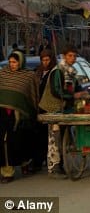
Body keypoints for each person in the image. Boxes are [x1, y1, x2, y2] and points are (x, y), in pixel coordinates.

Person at [39, 44, 89, 178]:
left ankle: (61, 165)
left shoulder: (71, 71)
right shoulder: (58, 71)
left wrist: (84, 93)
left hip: (65, 109)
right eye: (70, 56)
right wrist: (74, 96)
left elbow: (76, 88)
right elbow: (57, 91)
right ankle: (54, 168)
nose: (72, 58)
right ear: (64, 57)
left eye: (74, 56)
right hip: (53, 108)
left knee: (63, 137)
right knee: (54, 138)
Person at [0, 52, 38, 183]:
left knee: (18, 143)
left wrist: (32, 112)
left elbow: (33, 96)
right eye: (10, 62)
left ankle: (24, 163)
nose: (12, 65)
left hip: (20, 116)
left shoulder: (28, 76)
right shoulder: (3, 74)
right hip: (3, 114)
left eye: (15, 62)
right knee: (3, 143)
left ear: (21, 62)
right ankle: (7, 172)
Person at [33, 49, 57, 173]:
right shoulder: (38, 72)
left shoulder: (54, 73)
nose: (45, 62)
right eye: (43, 60)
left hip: (49, 108)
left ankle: (43, 161)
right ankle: (38, 160)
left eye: (47, 60)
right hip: (38, 107)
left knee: (46, 136)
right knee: (38, 135)